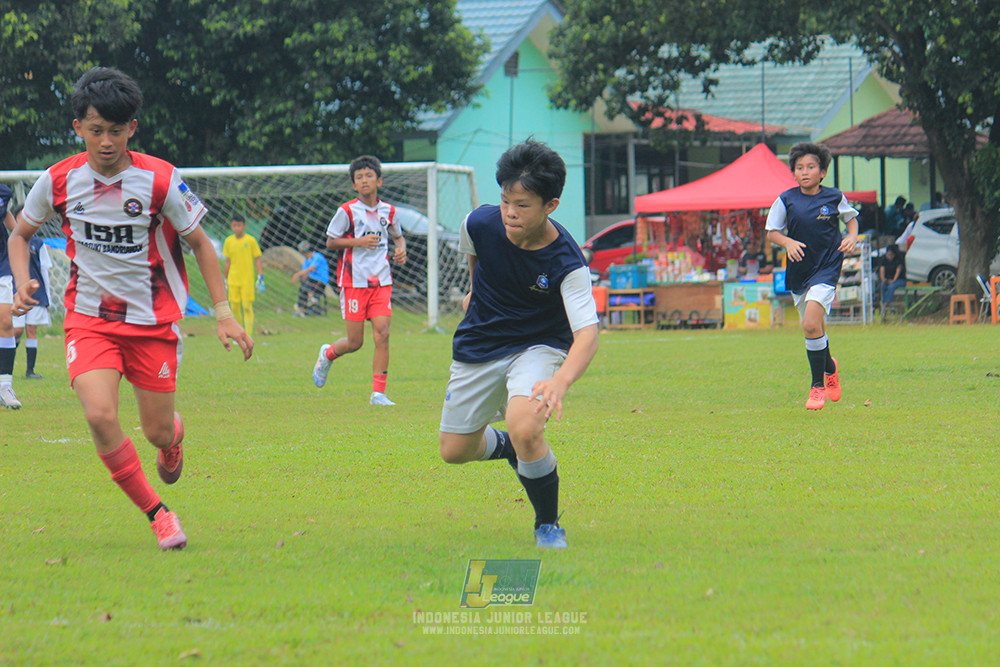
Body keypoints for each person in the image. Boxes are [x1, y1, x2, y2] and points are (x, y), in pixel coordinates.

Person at [9, 66, 253, 551]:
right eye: (95, 130)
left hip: (153, 323)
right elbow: (20, 235)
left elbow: (202, 245)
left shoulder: (161, 180)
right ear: (77, 127)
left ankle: (173, 436)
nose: (105, 142)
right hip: (89, 320)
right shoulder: (57, 180)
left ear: (132, 129)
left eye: (116, 132)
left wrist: (223, 313)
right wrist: (21, 283)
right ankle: (159, 515)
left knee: (157, 431)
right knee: (100, 415)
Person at [437, 140, 600, 549]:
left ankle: (547, 523)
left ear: (551, 205)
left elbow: (587, 334)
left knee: (526, 425)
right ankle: (511, 446)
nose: (510, 212)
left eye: (523, 204)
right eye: (506, 200)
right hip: (481, 341)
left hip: (538, 346)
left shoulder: (567, 263)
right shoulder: (479, 223)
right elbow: (477, 257)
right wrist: (475, 291)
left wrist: (561, 380)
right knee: (454, 451)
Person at [766, 142, 858, 411]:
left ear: (823, 172)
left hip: (827, 266)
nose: (805, 172)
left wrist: (851, 237)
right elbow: (772, 231)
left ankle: (817, 386)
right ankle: (830, 367)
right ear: (793, 173)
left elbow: (851, 219)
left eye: (811, 167)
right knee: (815, 328)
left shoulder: (833, 197)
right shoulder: (786, 199)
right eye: (799, 168)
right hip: (800, 271)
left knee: (809, 325)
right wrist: (787, 242)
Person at [312, 155, 407, 406]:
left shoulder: (390, 211)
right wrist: (358, 242)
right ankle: (328, 354)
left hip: (381, 282)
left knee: (383, 334)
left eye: (369, 176)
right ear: (354, 185)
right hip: (353, 282)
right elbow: (330, 242)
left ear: (379, 180)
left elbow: (398, 237)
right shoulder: (346, 211)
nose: (364, 181)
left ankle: (379, 394)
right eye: (359, 178)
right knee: (355, 342)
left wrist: (401, 249)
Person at [12, 234, 53, 379]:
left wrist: (47, 296)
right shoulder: (11, 241)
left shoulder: (38, 243)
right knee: (17, 330)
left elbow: (44, 270)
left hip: (37, 293)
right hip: (15, 292)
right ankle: (6, 365)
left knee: (32, 329)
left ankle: (30, 371)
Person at [223, 213, 264, 336]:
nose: (237, 228)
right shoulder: (228, 241)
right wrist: (225, 278)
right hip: (233, 279)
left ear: (244, 226)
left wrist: (260, 276)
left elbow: (257, 258)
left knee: (247, 306)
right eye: (234, 226)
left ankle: (248, 335)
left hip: (247, 279)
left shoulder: (250, 240)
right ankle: (239, 334)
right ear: (231, 226)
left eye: (239, 226)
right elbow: (227, 261)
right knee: (234, 307)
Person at [0, 184, 20, 408]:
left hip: (1, 266)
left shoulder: (3, 193)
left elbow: (16, 232)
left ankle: (5, 386)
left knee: (6, 322)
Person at [292, 240, 329, 315]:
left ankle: (308, 302)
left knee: (305, 284)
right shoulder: (306, 260)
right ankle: (304, 308)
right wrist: (302, 275)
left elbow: (311, 268)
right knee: (303, 284)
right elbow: (305, 273)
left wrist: (297, 274)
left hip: (320, 281)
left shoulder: (317, 257)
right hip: (311, 281)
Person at [879, 244, 907, 311]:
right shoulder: (884, 259)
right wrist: (884, 279)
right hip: (888, 279)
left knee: (891, 287)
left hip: (899, 280)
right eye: (888, 255)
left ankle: (886, 303)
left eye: (891, 255)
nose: (889, 257)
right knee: (883, 286)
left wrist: (894, 280)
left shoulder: (899, 260)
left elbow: (898, 270)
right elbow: (882, 270)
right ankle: (883, 302)